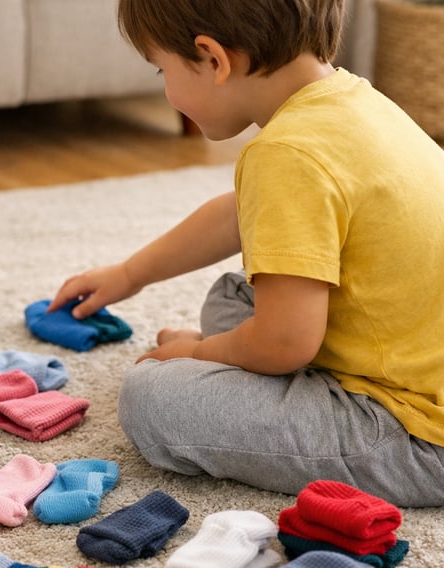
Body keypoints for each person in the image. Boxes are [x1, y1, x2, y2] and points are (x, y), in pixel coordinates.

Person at [49, 0, 444, 508]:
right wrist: (130, 274)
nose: (165, 87)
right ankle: (248, 363)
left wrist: (197, 353)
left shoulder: (287, 154)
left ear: (213, 59)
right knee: (237, 291)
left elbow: (284, 343)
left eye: (161, 68)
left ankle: (234, 369)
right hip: (413, 357)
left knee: (151, 398)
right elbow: (240, 215)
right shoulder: (356, 102)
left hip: (416, 434)